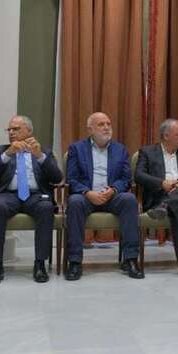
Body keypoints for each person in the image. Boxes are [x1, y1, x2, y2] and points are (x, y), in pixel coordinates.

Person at [0, 115, 63, 285]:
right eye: (9, 129)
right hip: (8, 195)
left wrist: (40, 156)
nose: (11, 132)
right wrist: (7, 155)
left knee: (46, 207)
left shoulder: (44, 151)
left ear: (29, 131)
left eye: (16, 129)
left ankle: (40, 264)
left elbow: (57, 178)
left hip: (35, 195)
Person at [64, 112, 142, 281]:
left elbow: (126, 179)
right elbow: (71, 179)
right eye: (101, 124)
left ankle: (130, 259)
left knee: (129, 200)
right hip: (86, 196)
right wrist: (87, 192)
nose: (106, 127)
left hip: (112, 196)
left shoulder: (120, 150)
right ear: (90, 129)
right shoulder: (76, 149)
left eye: (108, 124)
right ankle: (75, 261)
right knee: (74, 202)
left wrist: (113, 190)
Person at [134, 119, 178, 279]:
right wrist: (162, 183)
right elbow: (139, 175)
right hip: (159, 196)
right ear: (166, 136)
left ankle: (166, 206)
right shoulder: (147, 152)